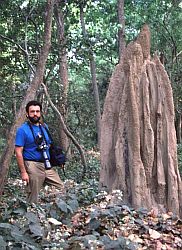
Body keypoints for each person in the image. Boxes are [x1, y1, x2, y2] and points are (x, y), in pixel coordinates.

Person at [15, 100, 64, 203]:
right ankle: (29, 216)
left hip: (46, 164)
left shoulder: (44, 127)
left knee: (62, 188)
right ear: (27, 114)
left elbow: (50, 145)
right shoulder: (22, 130)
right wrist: (24, 172)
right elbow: (18, 152)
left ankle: (50, 210)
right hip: (32, 165)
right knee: (33, 197)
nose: (35, 114)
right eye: (32, 111)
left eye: (37, 111)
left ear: (40, 113)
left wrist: (58, 160)